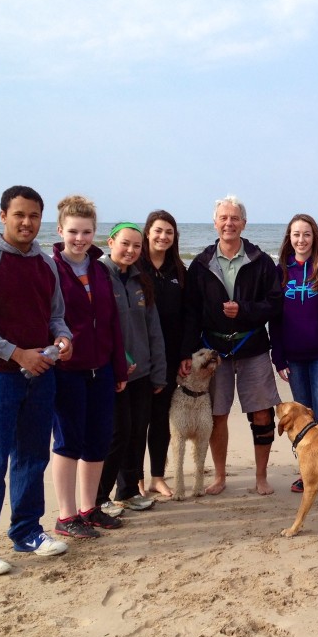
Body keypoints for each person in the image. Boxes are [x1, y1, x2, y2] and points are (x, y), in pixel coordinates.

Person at [0, 185, 73, 576]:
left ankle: (26, 531)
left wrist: (62, 339)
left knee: (33, 455)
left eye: (34, 216)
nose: (26, 223)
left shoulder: (46, 263)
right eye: (19, 214)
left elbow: (55, 315)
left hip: (41, 374)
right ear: (3, 215)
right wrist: (16, 353)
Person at [180, 195, 283, 495]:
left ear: (244, 223)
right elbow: (191, 313)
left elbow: (275, 305)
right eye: (223, 218)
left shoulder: (261, 261)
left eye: (234, 218)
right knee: (216, 415)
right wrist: (188, 352)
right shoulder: (200, 264)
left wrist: (245, 310)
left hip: (253, 348)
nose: (229, 223)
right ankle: (220, 476)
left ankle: (261, 477)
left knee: (263, 413)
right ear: (215, 223)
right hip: (214, 352)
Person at [49, 196, 129, 539]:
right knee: (69, 441)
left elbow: (112, 322)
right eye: (73, 232)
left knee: (98, 440)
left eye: (86, 232)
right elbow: (47, 319)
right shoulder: (50, 267)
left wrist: (119, 368)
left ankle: (89, 508)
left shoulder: (99, 269)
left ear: (95, 233)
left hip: (103, 369)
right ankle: (66, 516)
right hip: (68, 369)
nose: (79, 238)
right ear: (60, 231)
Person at [97, 222, 167, 512]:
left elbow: (154, 330)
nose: (130, 250)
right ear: (111, 242)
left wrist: (159, 371)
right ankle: (99, 497)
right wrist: (120, 363)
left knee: (138, 431)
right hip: (111, 372)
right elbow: (96, 327)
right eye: (125, 243)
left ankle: (127, 491)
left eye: (137, 246)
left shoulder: (140, 280)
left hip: (142, 373)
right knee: (117, 433)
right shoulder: (99, 276)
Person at [271, 214, 318, 493]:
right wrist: (278, 357)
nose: (301, 240)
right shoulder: (281, 271)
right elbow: (274, 319)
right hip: (293, 358)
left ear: (315, 237)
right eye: (296, 234)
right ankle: (309, 472)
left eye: (306, 234)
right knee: (302, 418)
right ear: (289, 238)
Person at [138, 210, 187, 499]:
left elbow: (188, 316)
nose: (163, 236)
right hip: (137, 358)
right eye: (158, 230)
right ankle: (134, 480)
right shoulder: (135, 266)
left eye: (169, 232)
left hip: (168, 357)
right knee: (135, 421)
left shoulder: (179, 271)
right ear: (147, 232)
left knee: (160, 418)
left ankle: (157, 476)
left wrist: (184, 353)